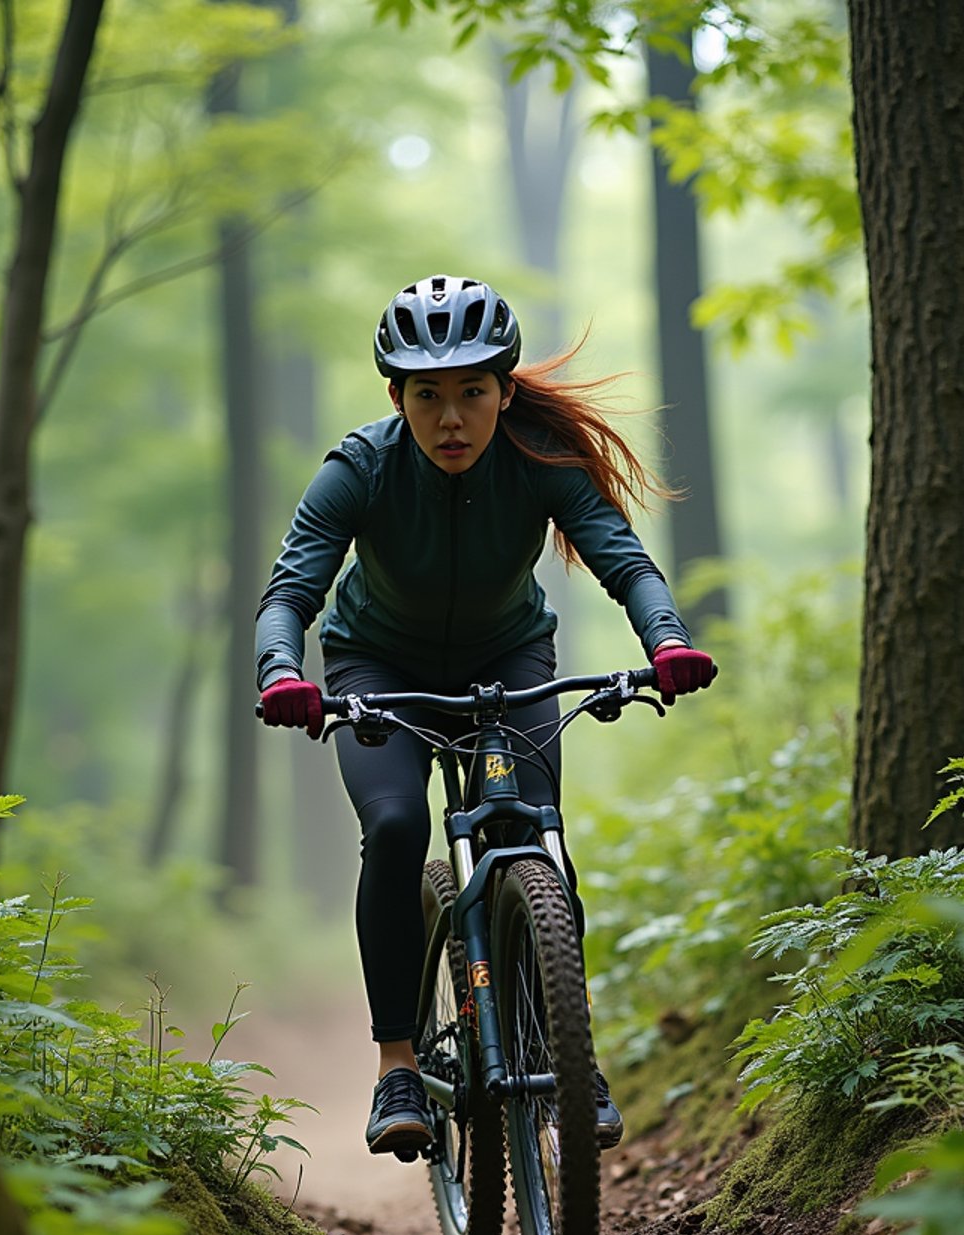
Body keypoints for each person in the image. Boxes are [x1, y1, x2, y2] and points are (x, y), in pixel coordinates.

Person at [256, 274, 714, 1159]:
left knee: (534, 834)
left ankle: (566, 1055)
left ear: (505, 391)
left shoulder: (540, 456)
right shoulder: (360, 467)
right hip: (375, 666)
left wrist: (667, 640)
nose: (452, 418)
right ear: (398, 398)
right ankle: (397, 1064)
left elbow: (625, 558)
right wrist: (283, 670)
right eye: (428, 396)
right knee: (394, 826)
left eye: (473, 392)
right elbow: (291, 592)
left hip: (510, 661)